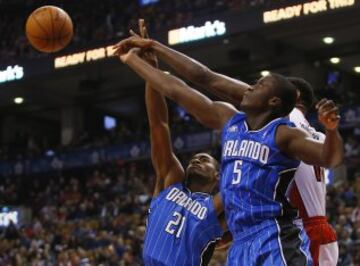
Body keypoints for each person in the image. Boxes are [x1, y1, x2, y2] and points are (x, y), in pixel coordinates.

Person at [115, 25, 343, 265]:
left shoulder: (284, 132)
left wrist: (332, 130)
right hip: (242, 243)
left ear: (274, 101)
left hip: (273, 233)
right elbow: (185, 86)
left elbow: (330, 159)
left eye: (258, 85)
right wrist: (141, 56)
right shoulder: (229, 121)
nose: (249, 87)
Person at [136, 21, 224, 266]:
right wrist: (151, 70)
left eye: (205, 160)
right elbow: (158, 125)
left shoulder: (218, 205)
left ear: (217, 176)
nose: (197, 159)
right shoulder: (170, 179)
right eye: (195, 157)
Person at [287, 77, 338, 266]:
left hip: (306, 230)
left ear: (294, 95)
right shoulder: (319, 135)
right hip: (315, 227)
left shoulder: (287, 119)